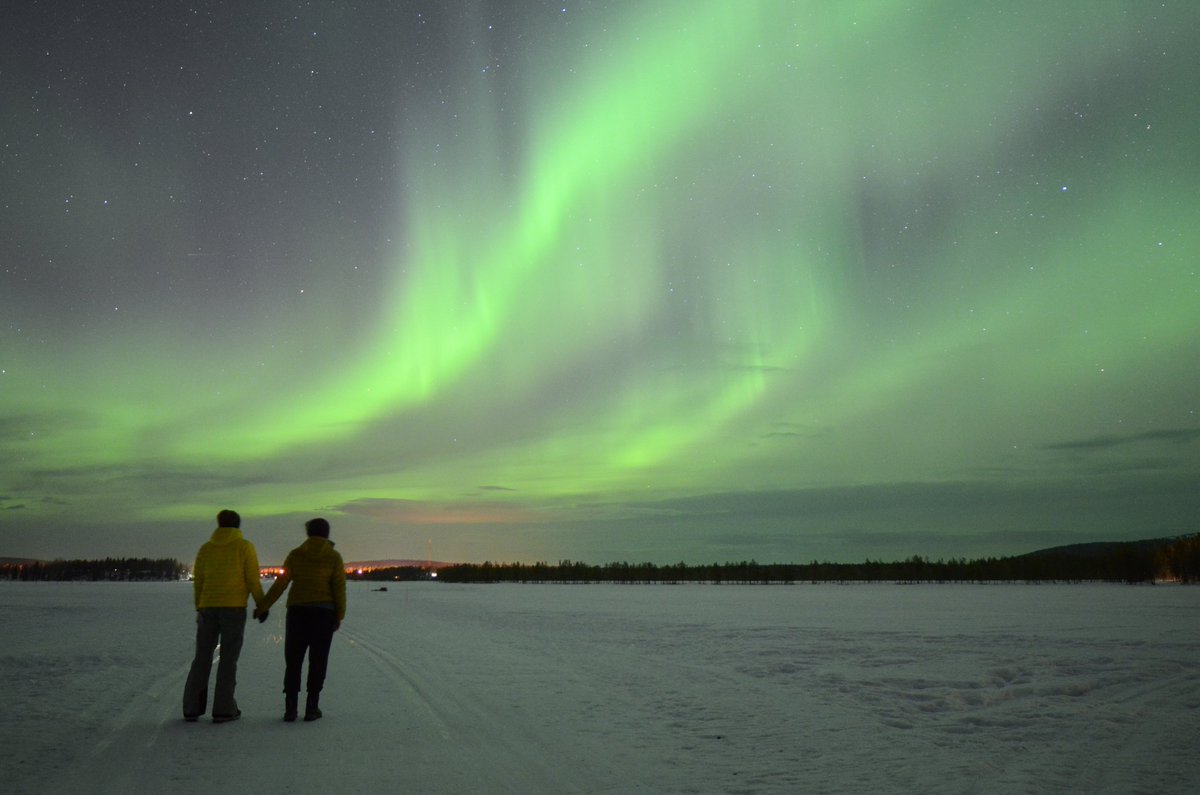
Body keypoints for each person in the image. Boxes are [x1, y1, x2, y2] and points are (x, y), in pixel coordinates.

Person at [255, 517, 346, 722]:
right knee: (318, 660)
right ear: (327, 534)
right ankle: (312, 708)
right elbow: (339, 589)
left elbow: (281, 584)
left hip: (297, 612)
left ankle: (290, 709)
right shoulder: (334, 557)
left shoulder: (296, 555)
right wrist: (339, 615)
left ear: (308, 533)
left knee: (294, 660)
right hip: (324, 614)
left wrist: (263, 606)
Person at [182, 509, 266, 723]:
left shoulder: (206, 549)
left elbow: (198, 581)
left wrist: (199, 607)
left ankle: (192, 707)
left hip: (208, 608)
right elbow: (252, 580)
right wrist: (262, 604)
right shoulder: (244, 547)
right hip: (234, 608)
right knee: (228, 659)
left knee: (202, 656)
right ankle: (223, 708)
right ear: (238, 525)